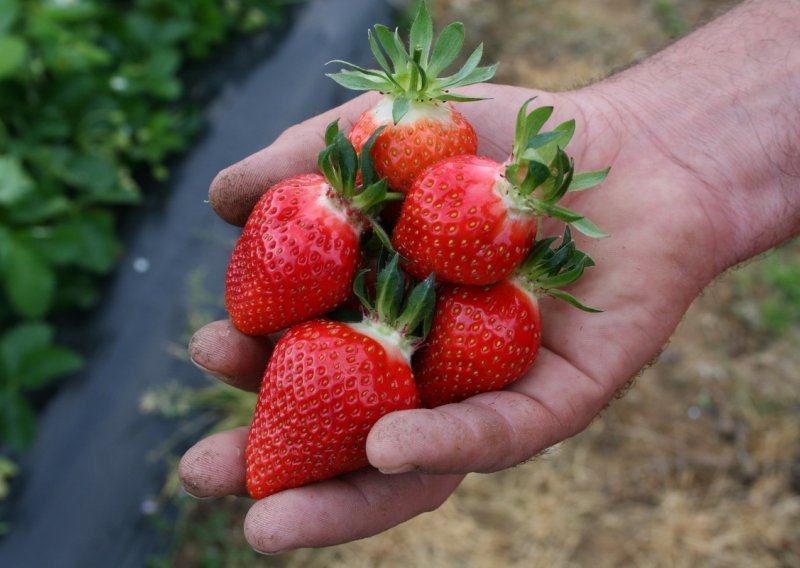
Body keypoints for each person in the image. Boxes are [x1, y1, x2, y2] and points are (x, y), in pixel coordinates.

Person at [179, 0, 799, 554]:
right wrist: (679, 152)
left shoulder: (480, 234)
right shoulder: (404, 192)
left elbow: (425, 248)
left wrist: (680, 161)